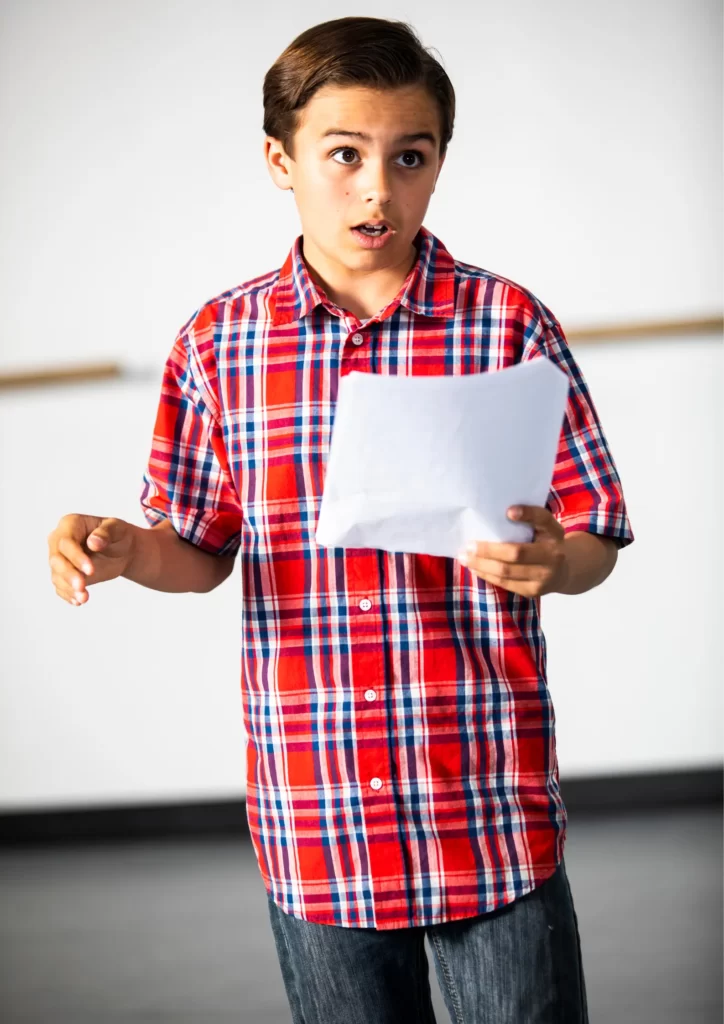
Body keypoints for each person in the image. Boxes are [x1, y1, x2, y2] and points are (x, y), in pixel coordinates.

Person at [47, 15, 635, 1023]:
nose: (378, 187)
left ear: (440, 162)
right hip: (315, 809)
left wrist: (558, 561)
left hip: (484, 794)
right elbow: (197, 548)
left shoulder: (505, 322)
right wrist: (125, 549)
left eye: (409, 158)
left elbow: (592, 534)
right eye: (344, 155)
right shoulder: (219, 341)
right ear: (281, 161)